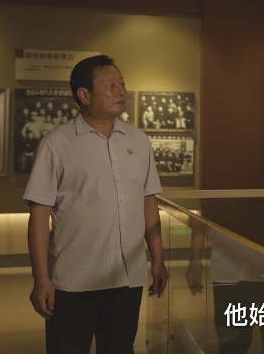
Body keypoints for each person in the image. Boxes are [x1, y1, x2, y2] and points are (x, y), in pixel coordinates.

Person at [24, 55, 169, 354]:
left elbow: (148, 200)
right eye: (111, 85)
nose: (120, 91)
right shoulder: (56, 144)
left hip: (126, 279)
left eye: (122, 84)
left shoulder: (138, 141)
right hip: (73, 281)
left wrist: (158, 259)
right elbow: (39, 215)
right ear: (84, 94)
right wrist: (41, 278)